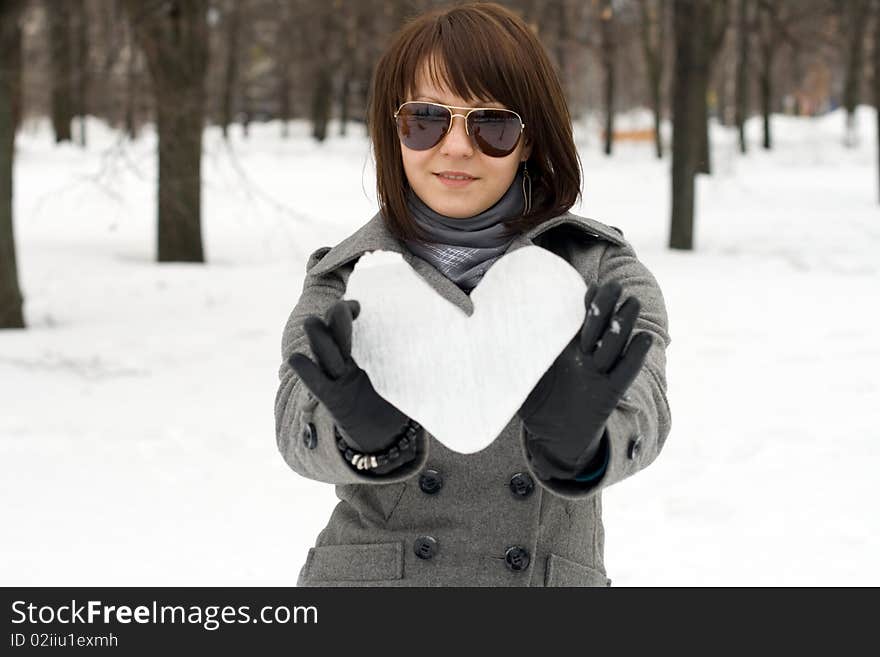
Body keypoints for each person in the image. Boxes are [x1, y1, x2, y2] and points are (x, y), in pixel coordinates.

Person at [274, 1, 671, 587]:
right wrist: (361, 438)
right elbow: (292, 422)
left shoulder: (597, 272)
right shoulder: (350, 277)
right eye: (427, 121)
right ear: (396, 132)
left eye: (491, 125)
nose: (456, 147)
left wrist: (581, 449)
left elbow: (646, 405)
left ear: (529, 140)